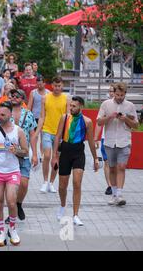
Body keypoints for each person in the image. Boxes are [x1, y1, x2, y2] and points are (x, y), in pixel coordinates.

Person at [0, 101, 29, 246]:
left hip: (12, 172)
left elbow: (25, 152)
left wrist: (16, 151)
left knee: (11, 201)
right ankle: (1, 233)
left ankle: (13, 229)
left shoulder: (19, 131)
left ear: (10, 114)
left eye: (3, 114)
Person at [52, 96, 99, 226]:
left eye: (74, 106)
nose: (71, 108)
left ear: (80, 107)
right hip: (65, 152)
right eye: (70, 106)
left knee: (77, 183)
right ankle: (62, 206)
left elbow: (90, 141)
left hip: (78, 153)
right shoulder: (65, 118)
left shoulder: (87, 122)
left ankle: (75, 215)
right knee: (62, 186)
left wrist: (95, 158)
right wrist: (55, 156)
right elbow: (57, 137)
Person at [97, 82, 138, 206]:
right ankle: (114, 194)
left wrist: (125, 119)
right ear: (113, 93)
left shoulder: (130, 106)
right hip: (109, 141)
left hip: (124, 141)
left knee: (121, 167)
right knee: (112, 168)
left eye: (122, 95)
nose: (119, 97)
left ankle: (119, 194)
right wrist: (109, 117)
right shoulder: (106, 104)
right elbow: (99, 122)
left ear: (125, 94)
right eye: (117, 94)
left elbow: (136, 125)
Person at [5, 89, 38, 223]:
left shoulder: (28, 114)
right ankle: (10, 213)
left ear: (22, 99)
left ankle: (18, 204)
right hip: (9, 154)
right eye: (11, 95)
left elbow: (32, 135)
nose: (13, 97)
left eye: (16, 96)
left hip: (24, 154)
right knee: (11, 187)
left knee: (24, 184)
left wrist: (35, 154)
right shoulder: (5, 112)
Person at [36, 76, 70, 194]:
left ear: (62, 86)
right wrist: (36, 132)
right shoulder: (45, 98)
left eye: (59, 86)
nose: (57, 88)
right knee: (46, 156)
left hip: (60, 134)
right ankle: (45, 181)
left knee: (56, 158)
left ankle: (51, 182)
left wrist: (66, 134)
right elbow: (42, 116)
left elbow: (68, 117)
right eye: (55, 86)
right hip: (47, 130)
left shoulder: (66, 99)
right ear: (52, 86)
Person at [94, 85, 115, 195]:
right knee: (107, 162)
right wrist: (96, 138)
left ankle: (116, 185)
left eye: (113, 91)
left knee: (115, 165)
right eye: (110, 91)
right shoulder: (105, 105)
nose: (111, 93)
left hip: (118, 140)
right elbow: (98, 123)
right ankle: (109, 186)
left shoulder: (124, 105)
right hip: (105, 138)